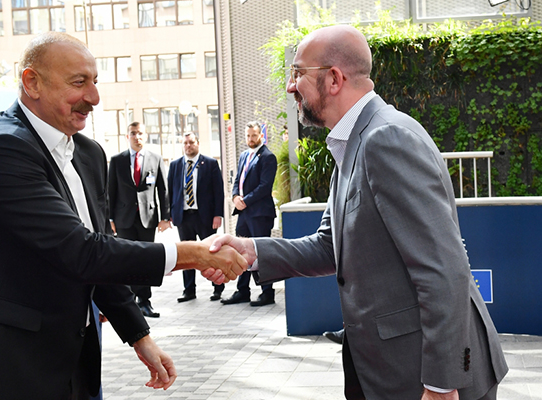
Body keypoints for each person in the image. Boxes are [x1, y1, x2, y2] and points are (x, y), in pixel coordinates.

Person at [0, 32, 245, 400]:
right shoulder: (1, 150)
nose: (94, 97)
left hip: (75, 360)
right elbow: (81, 252)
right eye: (78, 82)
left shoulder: (88, 153)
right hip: (6, 366)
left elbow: (100, 251)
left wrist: (139, 335)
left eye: (95, 81)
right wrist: (193, 253)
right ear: (32, 83)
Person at [209, 26, 508, 399]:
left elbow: (444, 268)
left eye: (298, 73)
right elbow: (328, 246)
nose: (290, 86)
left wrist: (441, 385)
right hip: (396, 372)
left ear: (334, 79)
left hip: (427, 379)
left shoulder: (385, 139)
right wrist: (251, 250)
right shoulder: (354, 142)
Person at [108, 122, 170, 318]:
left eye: (140, 133)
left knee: (145, 259)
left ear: (146, 135)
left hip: (147, 218)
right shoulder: (117, 160)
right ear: (127, 136)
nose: (137, 137)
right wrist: (110, 218)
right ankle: (128, 301)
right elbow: (110, 191)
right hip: (123, 219)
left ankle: (144, 301)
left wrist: (165, 217)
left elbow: (163, 190)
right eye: (133, 133)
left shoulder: (155, 159)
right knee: (126, 259)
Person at [220, 121, 277, 307]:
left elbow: (265, 186)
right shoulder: (244, 155)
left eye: (254, 135)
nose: (250, 139)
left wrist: (245, 201)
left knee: (261, 253)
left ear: (261, 135)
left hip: (259, 214)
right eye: (248, 135)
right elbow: (238, 179)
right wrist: (235, 196)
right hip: (244, 214)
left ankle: (267, 292)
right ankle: (242, 290)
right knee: (240, 250)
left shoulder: (268, 157)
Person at [168, 132, 225, 302]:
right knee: (186, 254)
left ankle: (218, 288)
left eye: (191, 142)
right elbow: (170, 191)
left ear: (198, 143)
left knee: (211, 252)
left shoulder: (210, 163)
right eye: (185, 143)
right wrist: (170, 214)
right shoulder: (175, 165)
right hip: (184, 216)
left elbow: (218, 191)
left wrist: (218, 214)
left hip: (204, 216)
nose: (188, 146)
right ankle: (189, 290)